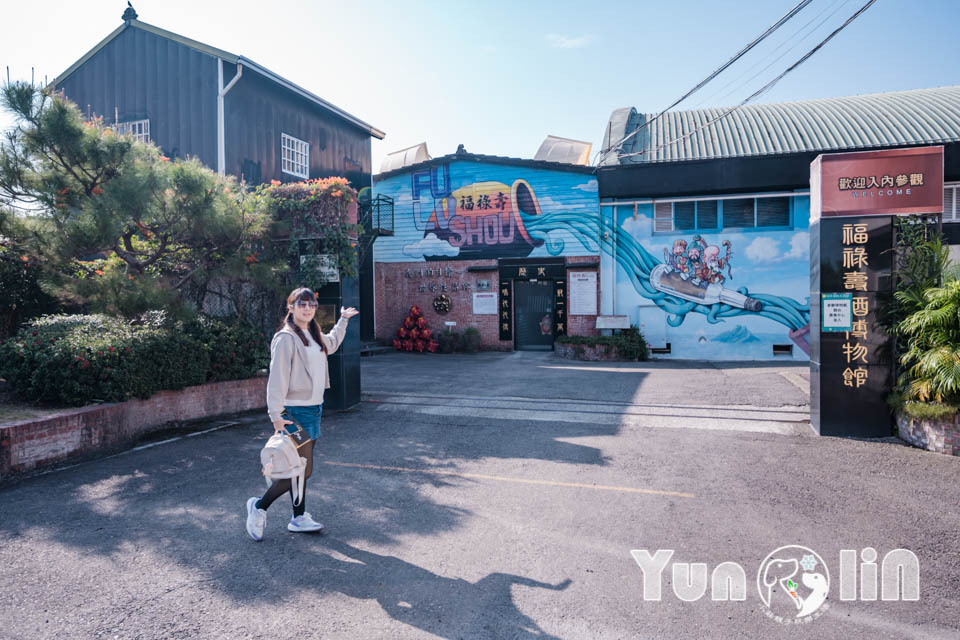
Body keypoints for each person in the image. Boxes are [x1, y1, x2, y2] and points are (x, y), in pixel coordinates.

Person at [246, 287, 359, 541]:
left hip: (313, 408)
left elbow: (331, 344)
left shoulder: (313, 333)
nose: (307, 308)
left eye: (311, 305)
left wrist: (343, 320)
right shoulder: (285, 338)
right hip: (293, 412)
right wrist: (275, 414)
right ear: (291, 307)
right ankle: (259, 507)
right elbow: (276, 379)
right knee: (299, 469)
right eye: (302, 304)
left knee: (302, 466)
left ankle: (298, 517)